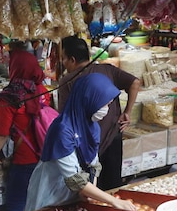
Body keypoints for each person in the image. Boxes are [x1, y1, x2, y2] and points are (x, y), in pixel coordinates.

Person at [24, 73, 137, 211]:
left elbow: (94, 164)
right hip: (51, 196)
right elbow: (75, 179)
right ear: (89, 100)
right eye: (105, 105)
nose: (106, 110)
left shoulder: (92, 125)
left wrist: (90, 192)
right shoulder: (62, 130)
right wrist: (114, 201)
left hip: (74, 198)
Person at [57, 36, 141, 191]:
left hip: (85, 143)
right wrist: (127, 112)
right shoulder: (107, 70)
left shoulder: (68, 81)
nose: (63, 63)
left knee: (91, 187)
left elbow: (64, 116)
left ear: (72, 59)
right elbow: (135, 82)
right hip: (111, 136)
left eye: (63, 59)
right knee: (111, 185)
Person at [0, 49, 50, 211]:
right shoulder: (42, 90)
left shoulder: (9, 98)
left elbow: (1, 135)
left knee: (17, 210)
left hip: (22, 161)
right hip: (44, 156)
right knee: (38, 206)